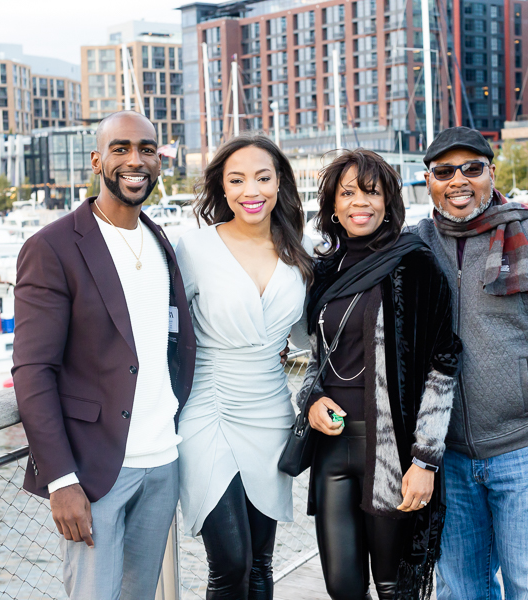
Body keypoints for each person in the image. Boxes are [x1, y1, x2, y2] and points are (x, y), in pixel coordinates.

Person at [411, 127, 528, 600]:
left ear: (490, 173)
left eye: (471, 168)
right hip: (448, 459)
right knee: (460, 592)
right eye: (444, 172)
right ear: (429, 181)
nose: (458, 180)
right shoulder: (416, 244)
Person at [12, 110, 196, 599]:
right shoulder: (52, 247)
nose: (135, 160)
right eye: (121, 149)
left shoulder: (160, 242)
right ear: (97, 160)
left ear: (159, 161)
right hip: (94, 474)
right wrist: (60, 480)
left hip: (162, 462)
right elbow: (33, 370)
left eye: (147, 149)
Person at [298, 149, 462, 600]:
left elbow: (442, 365)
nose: (359, 202)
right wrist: (310, 402)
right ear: (332, 205)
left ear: (388, 201)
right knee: (342, 586)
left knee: (394, 588)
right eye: (347, 192)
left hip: (392, 450)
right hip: (333, 448)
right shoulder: (323, 271)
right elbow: (317, 360)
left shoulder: (415, 263)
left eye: (370, 192)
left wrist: (425, 460)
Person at [174, 133, 312, 600]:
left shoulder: (298, 253)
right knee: (230, 563)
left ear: (279, 184)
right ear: (222, 188)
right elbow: (163, 333)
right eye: (237, 180)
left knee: (260, 565)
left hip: (271, 412)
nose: (250, 190)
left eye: (262, 177)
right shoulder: (193, 249)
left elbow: (309, 340)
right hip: (207, 410)